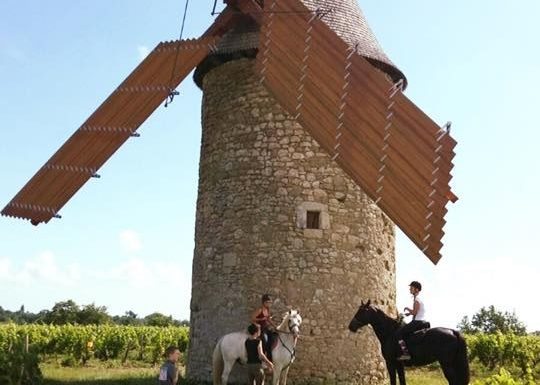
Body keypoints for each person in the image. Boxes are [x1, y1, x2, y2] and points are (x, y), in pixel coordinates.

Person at [396, 281, 428, 360]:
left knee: (398, 333)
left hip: (417, 321)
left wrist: (408, 309)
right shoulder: (417, 299)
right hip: (420, 320)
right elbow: (416, 312)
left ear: (416, 289)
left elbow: (415, 312)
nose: (410, 289)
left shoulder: (417, 299)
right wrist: (408, 314)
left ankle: (406, 353)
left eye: (411, 287)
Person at [251, 294, 277, 361]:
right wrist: (261, 319)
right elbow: (252, 318)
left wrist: (276, 327)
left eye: (270, 303)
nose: (269, 304)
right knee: (265, 341)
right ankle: (262, 358)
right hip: (260, 328)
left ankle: (270, 358)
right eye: (268, 302)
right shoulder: (259, 310)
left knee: (273, 337)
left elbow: (268, 319)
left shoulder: (267, 310)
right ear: (264, 302)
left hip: (266, 328)